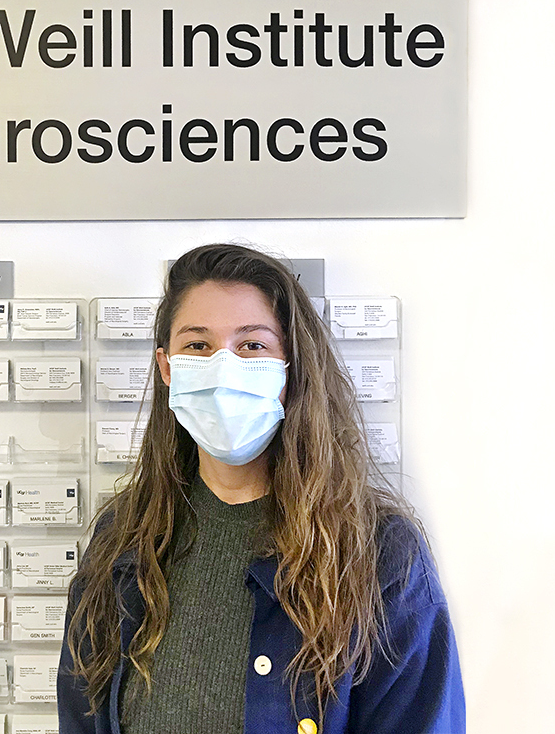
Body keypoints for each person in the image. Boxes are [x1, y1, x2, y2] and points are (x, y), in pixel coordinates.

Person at [58, 243, 464, 734]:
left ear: (291, 367)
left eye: (252, 346)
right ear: (168, 370)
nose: (223, 367)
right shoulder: (122, 540)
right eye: (198, 346)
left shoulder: (379, 554)